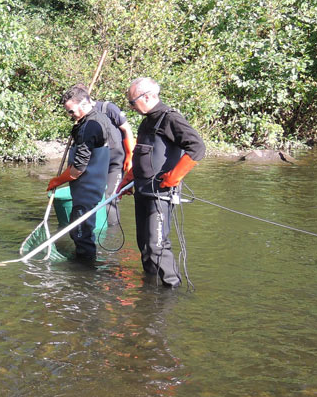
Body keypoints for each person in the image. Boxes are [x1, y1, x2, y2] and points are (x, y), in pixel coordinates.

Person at [119, 77, 206, 287]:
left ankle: (170, 290)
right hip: (142, 191)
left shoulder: (170, 119)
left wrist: (175, 176)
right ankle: (151, 288)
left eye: (132, 102)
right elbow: (142, 152)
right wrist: (128, 179)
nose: (131, 106)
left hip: (160, 195)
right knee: (145, 245)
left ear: (147, 96)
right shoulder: (147, 120)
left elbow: (197, 148)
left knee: (157, 245)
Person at [45, 85, 113, 261]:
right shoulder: (97, 118)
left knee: (81, 232)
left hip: (87, 188)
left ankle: (85, 271)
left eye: (71, 111)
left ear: (83, 104)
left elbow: (78, 169)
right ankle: (82, 262)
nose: (70, 115)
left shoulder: (91, 126)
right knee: (79, 229)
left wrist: (57, 181)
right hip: (92, 186)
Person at [90, 90, 136, 226]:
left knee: (111, 197)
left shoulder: (108, 108)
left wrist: (130, 155)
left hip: (116, 162)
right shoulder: (80, 116)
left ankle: (112, 233)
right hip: (98, 161)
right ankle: (95, 226)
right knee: (93, 194)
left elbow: (127, 129)